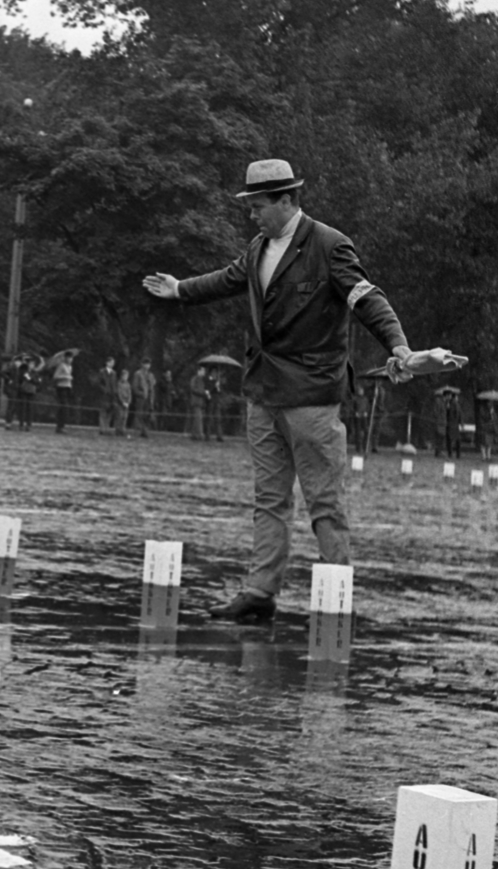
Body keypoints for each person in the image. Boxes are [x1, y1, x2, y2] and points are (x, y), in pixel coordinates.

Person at [143, 158, 417, 622]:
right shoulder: (257, 248)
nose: (252, 214)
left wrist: (398, 344)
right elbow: (228, 279)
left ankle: (336, 596)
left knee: (324, 502)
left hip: (312, 396)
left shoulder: (330, 245)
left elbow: (367, 298)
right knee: (268, 499)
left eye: (258, 206)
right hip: (263, 394)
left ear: (287, 201)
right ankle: (260, 592)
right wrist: (180, 290)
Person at [131, 358, 155, 438]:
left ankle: (144, 431)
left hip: (149, 399)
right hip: (141, 399)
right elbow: (134, 388)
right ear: (142, 364)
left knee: (147, 416)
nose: (147, 366)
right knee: (140, 415)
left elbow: (152, 387)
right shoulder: (138, 374)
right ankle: (140, 431)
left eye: (149, 364)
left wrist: (151, 398)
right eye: (146, 364)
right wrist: (142, 394)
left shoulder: (150, 375)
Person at [52, 349, 75, 432]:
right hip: (61, 387)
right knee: (63, 406)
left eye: (72, 358)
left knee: (66, 407)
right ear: (66, 358)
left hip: (68, 387)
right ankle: (59, 426)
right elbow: (55, 376)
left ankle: (62, 425)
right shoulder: (61, 365)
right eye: (69, 358)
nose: (71, 360)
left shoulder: (70, 367)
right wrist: (65, 377)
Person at [187, 368, 209, 440]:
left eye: (204, 371)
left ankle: (194, 435)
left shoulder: (202, 380)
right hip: (195, 401)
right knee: (198, 418)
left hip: (200, 402)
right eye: (203, 371)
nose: (204, 372)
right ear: (198, 371)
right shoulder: (194, 379)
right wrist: (203, 392)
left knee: (197, 418)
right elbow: (193, 389)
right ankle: (199, 434)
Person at [113, 365, 132, 437]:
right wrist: (123, 402)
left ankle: (123, 430)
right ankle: (118, 430)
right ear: (121, 376)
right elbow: (119, 393)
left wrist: (128, 401)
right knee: (119, 417)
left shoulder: (128, 384)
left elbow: (130, 393)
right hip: (120, 403)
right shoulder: (119, 384)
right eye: (125, 376)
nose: (126, 377)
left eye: (127, 376)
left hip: (126, 403)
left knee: (125, 417)